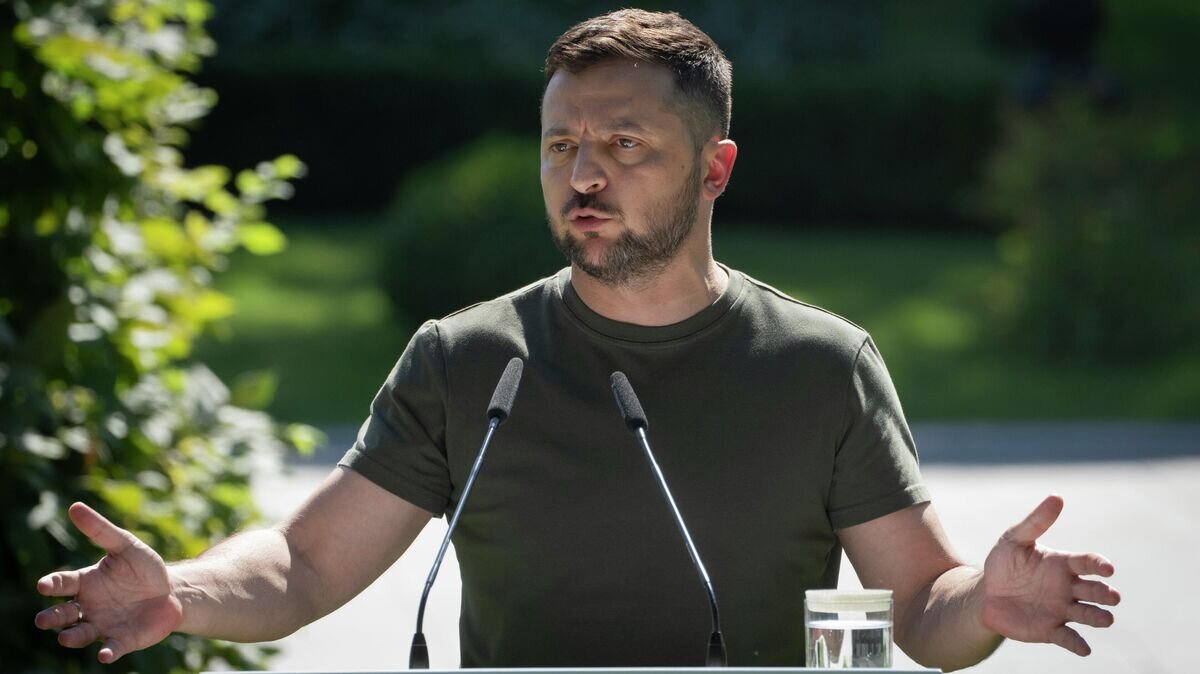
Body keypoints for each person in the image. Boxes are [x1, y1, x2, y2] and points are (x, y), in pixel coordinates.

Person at [34, 9, 1119, 670]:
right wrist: (186, 589)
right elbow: (306, 561)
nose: (583, 174)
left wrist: (988, 605)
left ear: (715, 168)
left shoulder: (822, 366)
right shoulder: (464, 360)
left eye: (624, 144)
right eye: (560, 145)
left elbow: (917, 606)